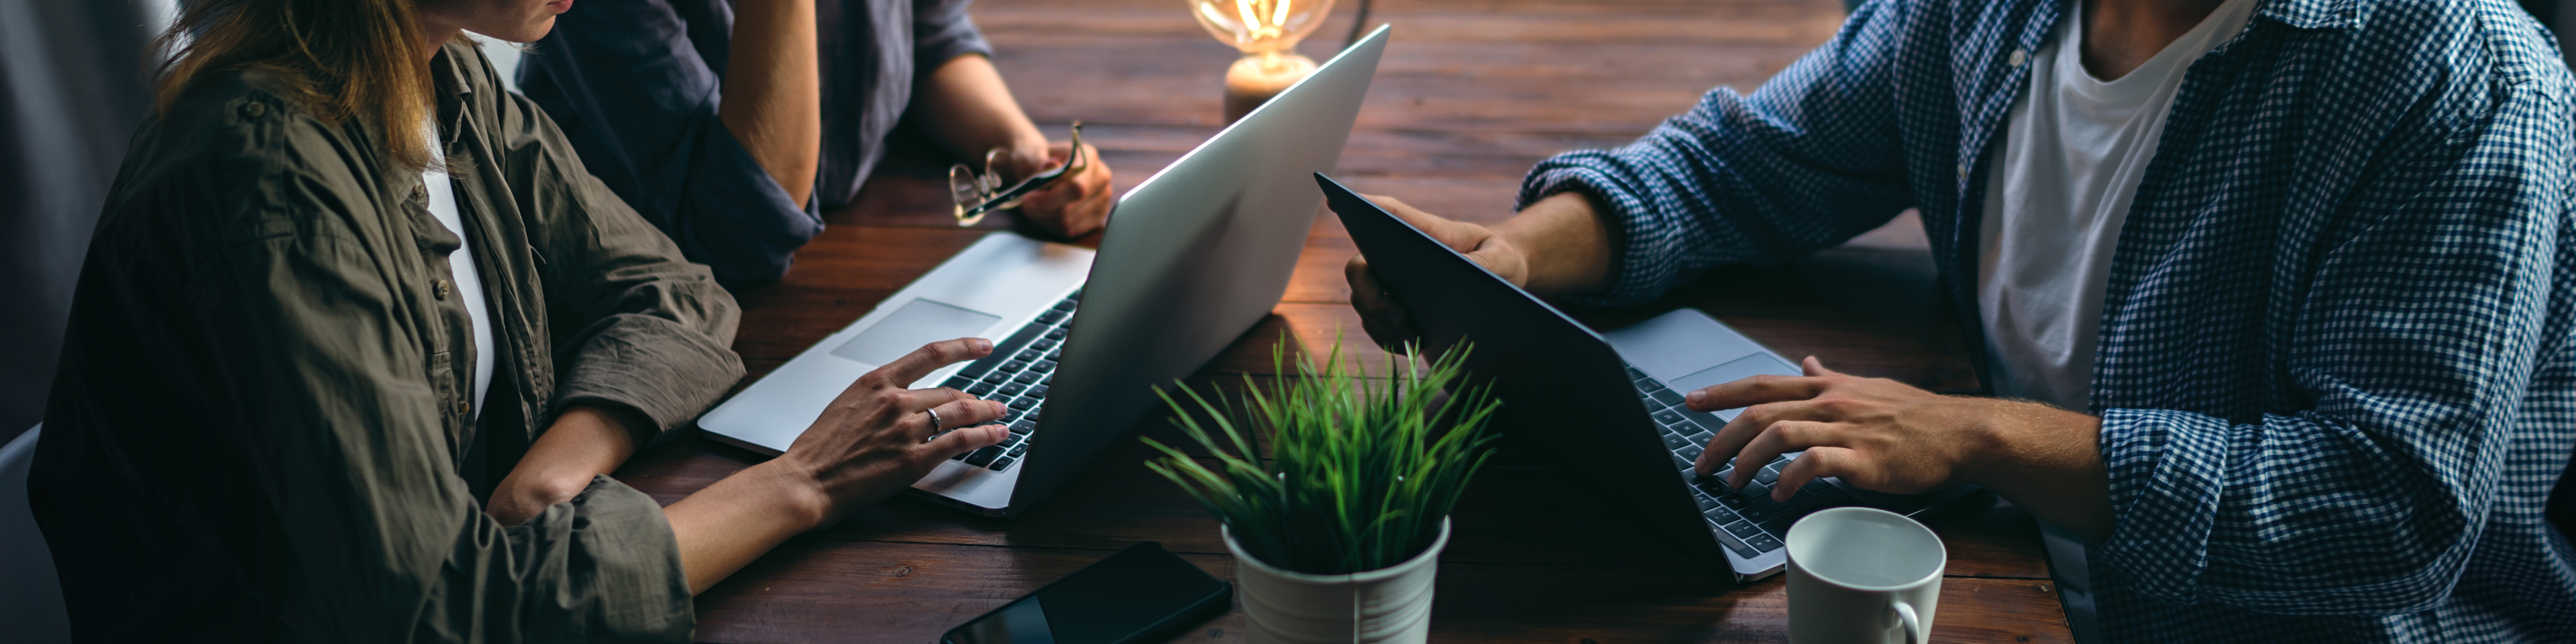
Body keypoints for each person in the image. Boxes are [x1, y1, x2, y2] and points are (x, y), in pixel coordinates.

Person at [1344, 0, 2576, 640]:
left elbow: (2387, 506)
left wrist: (1978, 438)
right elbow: (1749, 160)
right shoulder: (1988, 13)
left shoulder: (2459, 84)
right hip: (2004, 566)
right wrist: (1516, 254)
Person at [28, 0, 1011, 639]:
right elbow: (441, 612)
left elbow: (677, 291)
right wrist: (801, 484)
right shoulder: (272, 185)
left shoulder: (441, 79)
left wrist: (553, 472)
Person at [515, 0, 1115, 286]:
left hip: (850, 258)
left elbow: (928, 33)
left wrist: (1020, 153)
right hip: (655, 304)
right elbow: (743, 237)